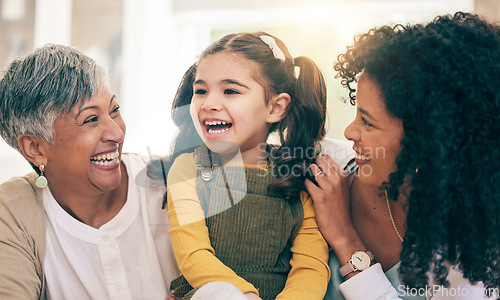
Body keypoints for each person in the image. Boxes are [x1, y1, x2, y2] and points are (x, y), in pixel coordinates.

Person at [306, 12, 500, 299]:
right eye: (356, 113)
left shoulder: (474, 240)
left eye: (368, 122)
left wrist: (346, 238)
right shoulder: (332, 169)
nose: (349, 131)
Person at [0, 44, 180, 299]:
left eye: (114, 111)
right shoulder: (13, 213)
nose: (117, 134)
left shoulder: (169, 183)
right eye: (91, 119)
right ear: (35, 148)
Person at [161, 32, 331, 299]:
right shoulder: (188, 168)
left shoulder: (297, 173)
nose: (209, 104)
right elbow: (194, 257)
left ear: (275, 108)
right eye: (201, 91)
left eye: (230, 91)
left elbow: (311, 266)